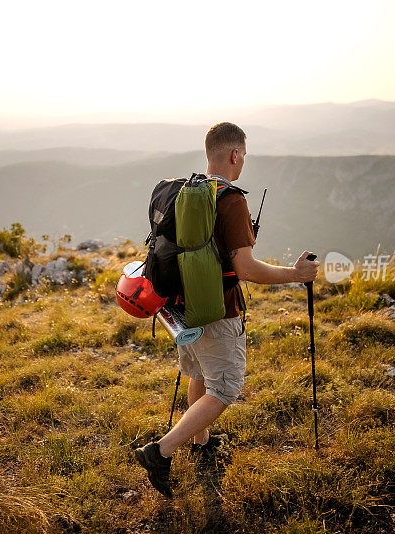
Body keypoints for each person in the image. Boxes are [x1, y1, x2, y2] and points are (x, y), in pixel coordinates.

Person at [134, 122, 319, 497]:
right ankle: (161, 451)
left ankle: (202, 443)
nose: (243, 161)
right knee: (226, 387)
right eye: (244, 155)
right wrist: (297, 274)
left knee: (199, 374)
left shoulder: (184, 193)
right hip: (217, 311)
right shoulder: (231, 200)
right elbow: (247, 269)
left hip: (179, 306)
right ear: (235, 154)